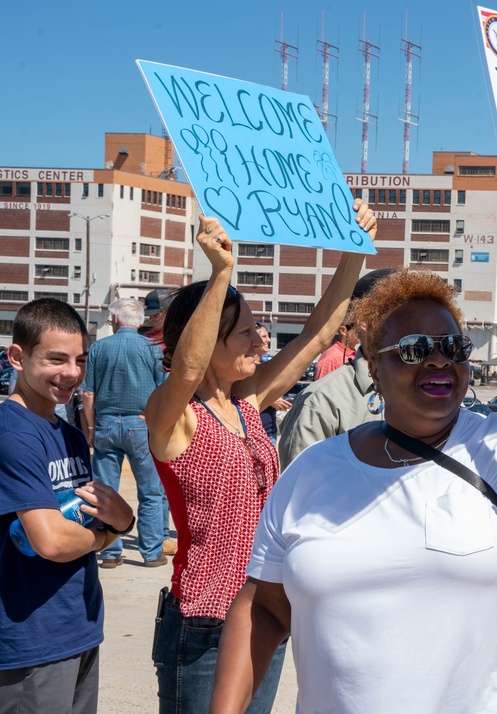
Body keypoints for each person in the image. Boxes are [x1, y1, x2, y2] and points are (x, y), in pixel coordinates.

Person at [209, 270, 497, 713]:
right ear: (373, 366)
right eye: (413, 349)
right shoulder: (312, 471)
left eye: (453, 346)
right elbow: (264, 607)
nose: (438, 358)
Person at [145, 202, 376, 714]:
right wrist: (221, 273)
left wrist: (353, 250)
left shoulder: (247, 404)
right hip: (204, 624)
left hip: (263, 613)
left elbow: (318, 334)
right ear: (207, 343)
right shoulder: (174, 415)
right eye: (246, 331)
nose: (262, 339)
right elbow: (185, 373)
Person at [0, 298, 135, 713]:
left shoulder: (71, 435)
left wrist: (116, 524)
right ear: (17, 357)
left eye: (80, 359)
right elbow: (51, 541)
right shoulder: (13, 433)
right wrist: (104, 536)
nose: (72, 373)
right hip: (31, 637)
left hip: (79, 626)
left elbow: (119, 514)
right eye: (56, 359)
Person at [80, 297, 170, 568]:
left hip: (106, 423)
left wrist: (91, 428)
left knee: (105, 491)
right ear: (139, 321)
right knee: (151, 492)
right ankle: (152, 552)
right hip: (142, 425)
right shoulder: (153, 349)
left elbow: (87, 393)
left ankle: (110, 552)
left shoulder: (99, 347)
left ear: (116, 319)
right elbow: (164, 391)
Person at [277, 268, 396, 470]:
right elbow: (303, 491)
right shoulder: (319, 402)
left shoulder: (426, 392)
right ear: (364, 321)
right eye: (397, 314)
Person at [252, 323, 291, 446]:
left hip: (270, 431)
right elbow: (241, 395)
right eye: (264, 336)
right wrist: (271, 400)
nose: (268, 340)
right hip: (255, 434)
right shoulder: (246, 368)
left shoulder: (265, 366)